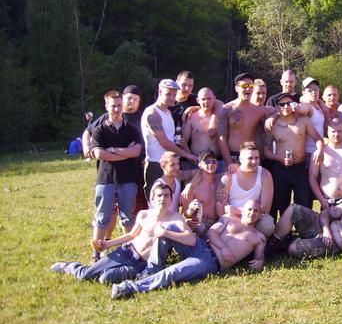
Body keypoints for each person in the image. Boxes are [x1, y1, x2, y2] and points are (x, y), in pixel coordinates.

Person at [110, 199, 266, 299]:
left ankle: (129, 288)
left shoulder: (259, 237)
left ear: (260, 215)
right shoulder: (228, 219)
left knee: (172, 272)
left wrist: (260, 261)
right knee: (169, 228)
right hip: (201, 245)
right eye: (249, 209)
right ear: (243, 210)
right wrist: (224, 247)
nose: (252, 213)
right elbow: (211, 233)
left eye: (256, 211)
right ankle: (153, 269)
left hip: (209, 262)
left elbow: (259, 258)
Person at [51, 183, 194, 283]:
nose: (163, 199)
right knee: (87, 275)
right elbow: (131, 235)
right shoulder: (144, 214)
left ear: (171, 199)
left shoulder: (175, 218)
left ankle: (108, 273)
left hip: (139, 264)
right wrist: (108, 244)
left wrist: (166, 233)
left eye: (166, 196)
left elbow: (191, 240)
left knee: (105, 279)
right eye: (159, 196)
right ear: (153, 198)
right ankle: (70, 267)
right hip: (126, 251)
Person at [268, 182, 342, 258]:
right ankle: (272, 244)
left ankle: (287, 243)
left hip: (333, 245)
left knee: (293, 248)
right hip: (324, 230)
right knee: (293, 209)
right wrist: (326, 230)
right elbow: (326, 213)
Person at [89, 90, 143, 260]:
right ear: (106, 106)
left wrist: (112, 150)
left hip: (128, 179)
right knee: (102, 217)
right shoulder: (99, 130)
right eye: (113, 106)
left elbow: (137, 151)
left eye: (119, 105)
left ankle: (130, 251)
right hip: (106, 180)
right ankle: (97, 253)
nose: (117, 109)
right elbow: (99, 154)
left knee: (127, 218)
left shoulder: (132, 130)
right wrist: (125, 153)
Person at [264, 92, 324, 218]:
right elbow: (266, 151)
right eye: (282, 104)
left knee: (304, 202)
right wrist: (280, 159)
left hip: (300, 169)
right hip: (280, 169)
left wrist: (319, 150)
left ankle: (304, 228)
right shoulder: (272, 125)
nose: (286, 107)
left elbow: (318, 139)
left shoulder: (303, 121)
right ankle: (283, 229)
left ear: (293, 105)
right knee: (281, 203)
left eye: (288, 103)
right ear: (277, 107)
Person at [141, 79, 198, 200]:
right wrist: (187, 155)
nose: (172, 98)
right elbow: (164, 142)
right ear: (160, 92)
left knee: (173, 204)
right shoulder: (152, 113)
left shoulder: (167, 112)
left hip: (171, 164)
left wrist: (177, 142)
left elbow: (169, 139)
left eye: (174, 94)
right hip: (157, 164)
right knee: (157, 205)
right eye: (168, 94)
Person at [216, 141, 275, 237]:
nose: (254, 161)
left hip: (255, 217)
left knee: (267, 224)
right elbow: (220, 207)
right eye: (250, 158)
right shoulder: (229, 177)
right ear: (241, 159)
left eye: (256, 158)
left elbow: (265, 208)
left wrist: (240, 211)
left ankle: (260, 243)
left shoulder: (265, 175)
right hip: (233, 218)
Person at [218, 73, 270, 166]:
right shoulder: (227, 110)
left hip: (252, 157)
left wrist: (274, 117)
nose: (248, 89)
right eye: (244, 86)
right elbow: (222, 138)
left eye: (251, 86)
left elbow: (279, 113)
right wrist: (229, 163)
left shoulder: (259, 111)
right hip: (233, 157)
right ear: (237, 88)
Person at [180, 149, 220, 236]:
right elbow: (184, 214)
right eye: (207, 162)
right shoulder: (194, 187)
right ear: (200, 164)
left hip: (217, 225)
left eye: (213, 162)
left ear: (217, 164)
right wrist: (190, 209)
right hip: (199, 225)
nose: (211, 164)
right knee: (200, 228)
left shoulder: (221, 182)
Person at [182, 87, 222, 170]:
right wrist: (190, 157)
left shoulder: (220, 116)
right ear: (198, 100)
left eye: (209, 99)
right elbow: (183, 141)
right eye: (203, 99)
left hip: (218, 161)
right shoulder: (191, 117)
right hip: (197, 162)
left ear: (214, 98)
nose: (206, 102)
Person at [169, 70, 197, 137]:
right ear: (176, 83)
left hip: (191, 142)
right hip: (170, 141)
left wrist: (195, 107)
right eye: (184, 85)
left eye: (190, 86)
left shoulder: (196, 100)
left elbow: (217, 104)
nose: (187, 89)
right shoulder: (168, 102)